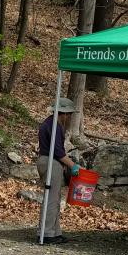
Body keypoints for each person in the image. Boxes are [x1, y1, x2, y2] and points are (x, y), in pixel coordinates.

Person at [36, 97, 80, 244]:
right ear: (64, 113)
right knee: (51, 199)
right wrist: (72, 165)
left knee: (54, 198)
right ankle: (46, 233)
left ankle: (54, 232)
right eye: (69, 114)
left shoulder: (51, 123)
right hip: (50, 162)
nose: (70, 117)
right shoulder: (54, 125)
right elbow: (58, 152)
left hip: (50, 161)